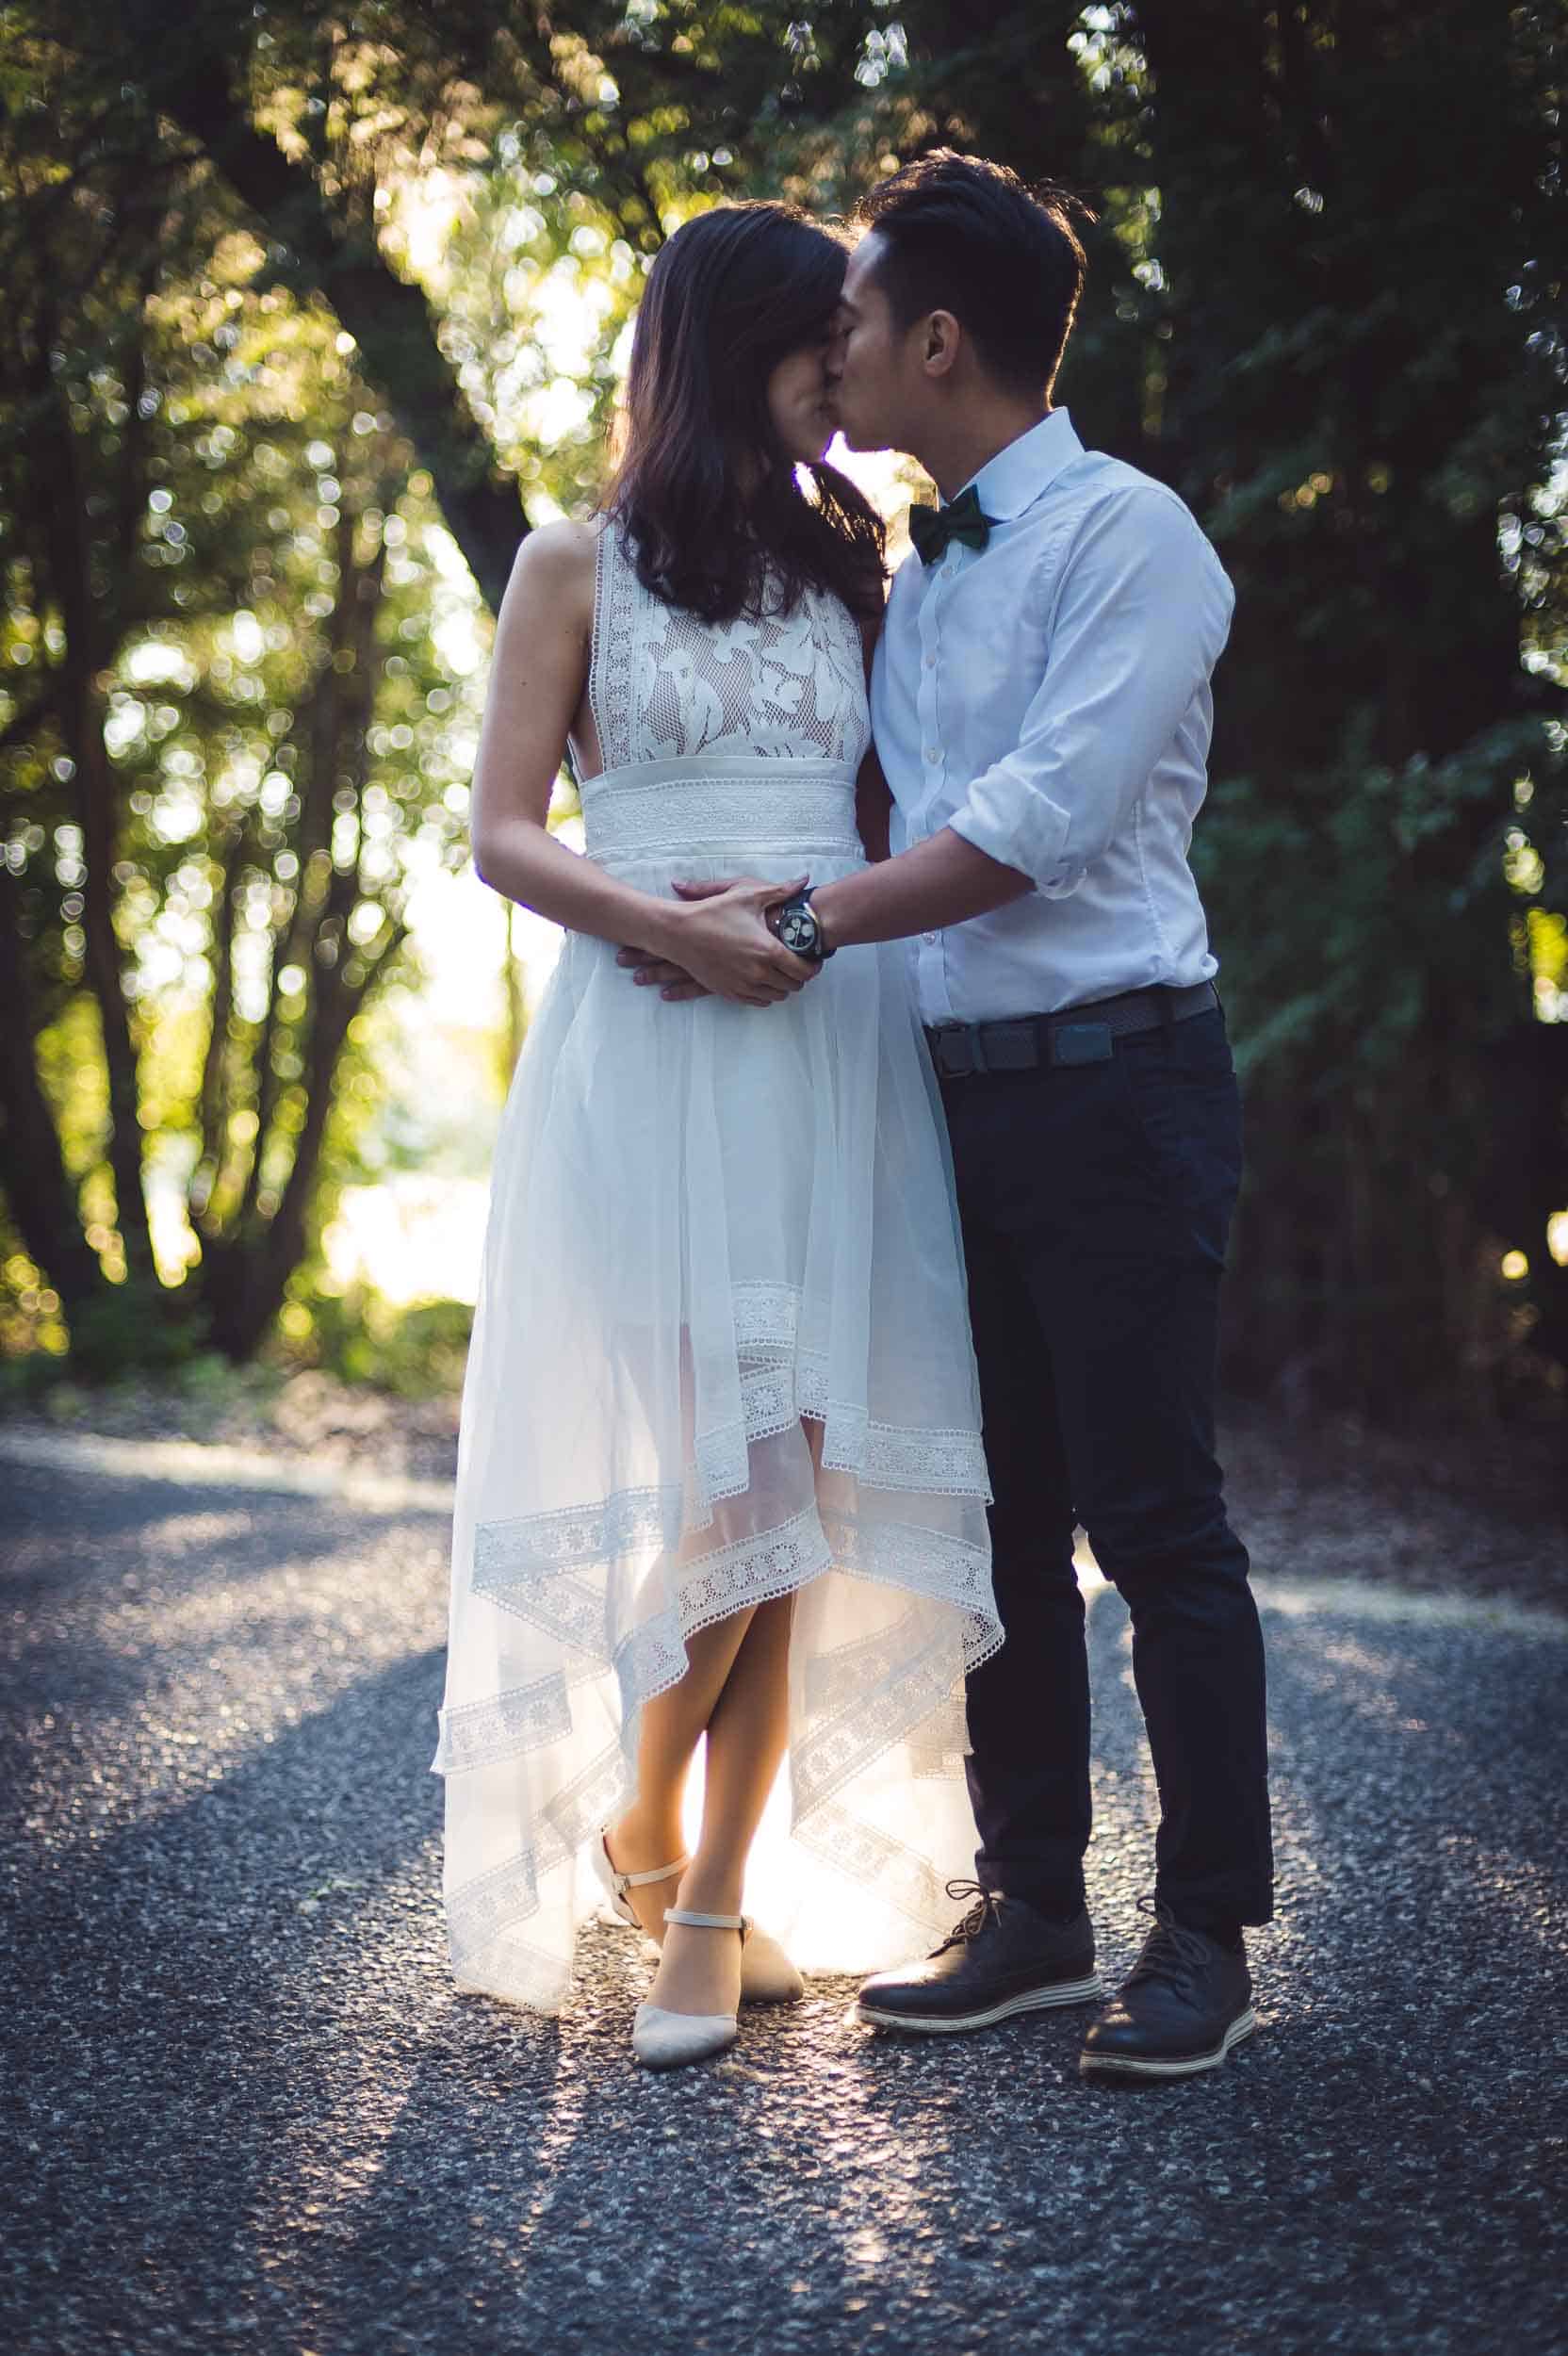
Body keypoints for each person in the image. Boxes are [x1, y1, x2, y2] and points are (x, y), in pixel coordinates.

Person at [629, 153, 1274, 2083]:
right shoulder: (904, 566)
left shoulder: (1132, 537)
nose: (826, 350)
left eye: (847, 318)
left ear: (932, 338)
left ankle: (1204, 1934)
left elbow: (1031, 828)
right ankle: (1037, 1911)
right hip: (934, 1101)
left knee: (1156, 1517)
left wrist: (800, 921)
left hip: (1116, 1086)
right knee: (997, 1514)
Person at [433, 201, 1004, 2071]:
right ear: (738, 341)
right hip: (653, 1047)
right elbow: (506, 831)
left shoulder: (860, 560)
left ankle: (697, 1887)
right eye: (813, 339)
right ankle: (638, 1810)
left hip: (832, 1042)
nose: (841, 372)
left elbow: (895, 803)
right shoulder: (568, 562)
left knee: (815, 1478)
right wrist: (665, 924)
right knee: (739, 1477)